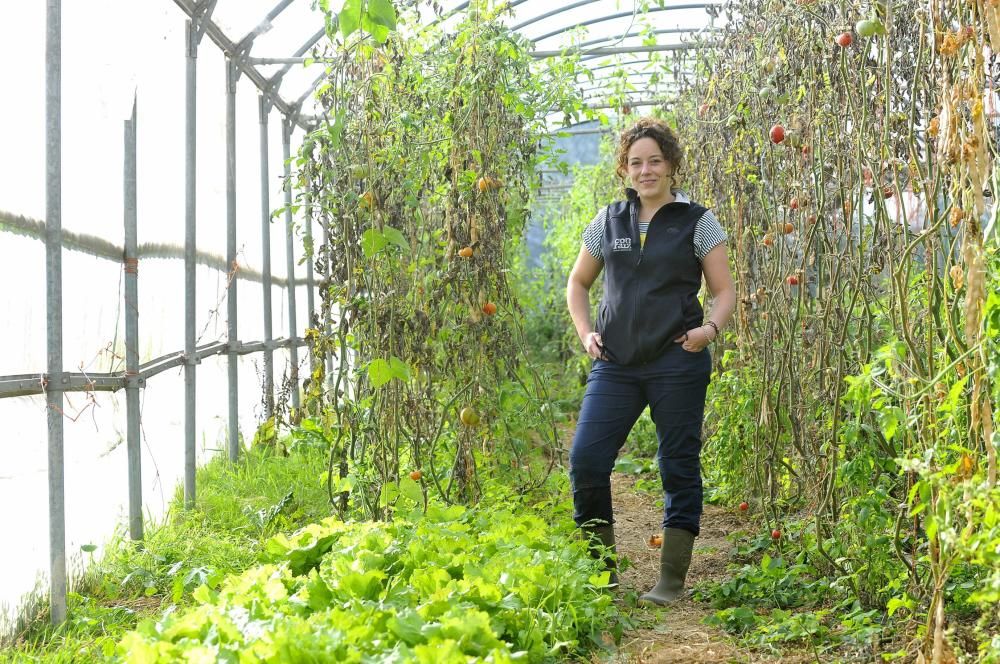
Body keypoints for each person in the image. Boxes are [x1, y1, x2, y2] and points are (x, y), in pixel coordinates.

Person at [565, 117, 736, 605]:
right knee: (586, 459)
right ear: (625, 167)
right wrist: (585, 332)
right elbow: (578, 283)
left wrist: (709, 330)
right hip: (615, 363)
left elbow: (724, 292)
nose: (646, 170)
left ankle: (671, 581)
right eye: (636, 162)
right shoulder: (609, 220)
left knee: (677, 463)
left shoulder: (698, 222)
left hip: (676, 360)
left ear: (671, 165)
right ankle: (603, 576)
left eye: (655, 161)